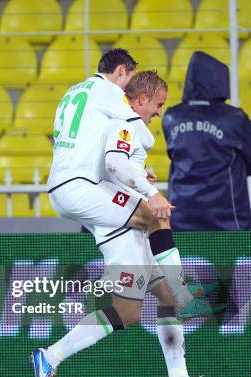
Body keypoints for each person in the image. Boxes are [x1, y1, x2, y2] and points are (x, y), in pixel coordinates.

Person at [47, 49, 213, 319]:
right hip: (81, 187)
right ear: (122, 71)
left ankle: (50, 355)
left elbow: (94, 148)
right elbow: (144, 138)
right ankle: (183, 295)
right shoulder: (109, 91)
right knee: (156, 214)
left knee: (130, 310)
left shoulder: (72, 93)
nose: (128, 90)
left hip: (66, 185)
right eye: (130, 78)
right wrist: (150, 191)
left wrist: (135, 170)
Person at [163, 51, 251, 231]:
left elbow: (175, 156)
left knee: (184, 259)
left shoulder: (171, 117)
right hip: (229, 222)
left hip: (181, 219)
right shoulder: (235, 118)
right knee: (230, 259)